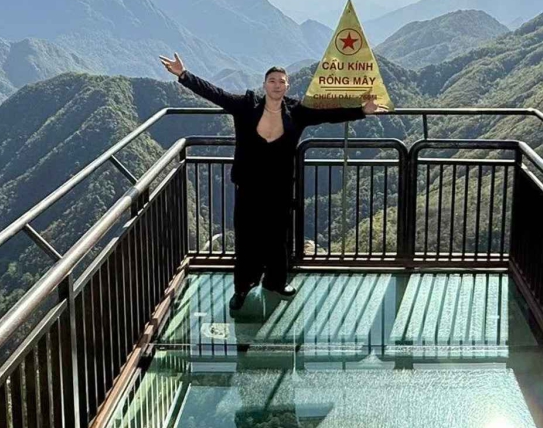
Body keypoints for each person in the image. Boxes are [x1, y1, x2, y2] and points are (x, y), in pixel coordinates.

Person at [158, 52, 386, 312]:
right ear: (264, 84)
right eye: (272, 80)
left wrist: (362, 111)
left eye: (281, 81)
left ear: (287, 86)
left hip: (279, 186)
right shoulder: (246, 105)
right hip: (248, 185)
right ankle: (242, 287)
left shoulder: (297, 111)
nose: (277, 85)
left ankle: (275, 283)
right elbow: (216, 94)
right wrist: (184, 75)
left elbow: (329, 115)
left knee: (278, 238)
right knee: (247, 238)